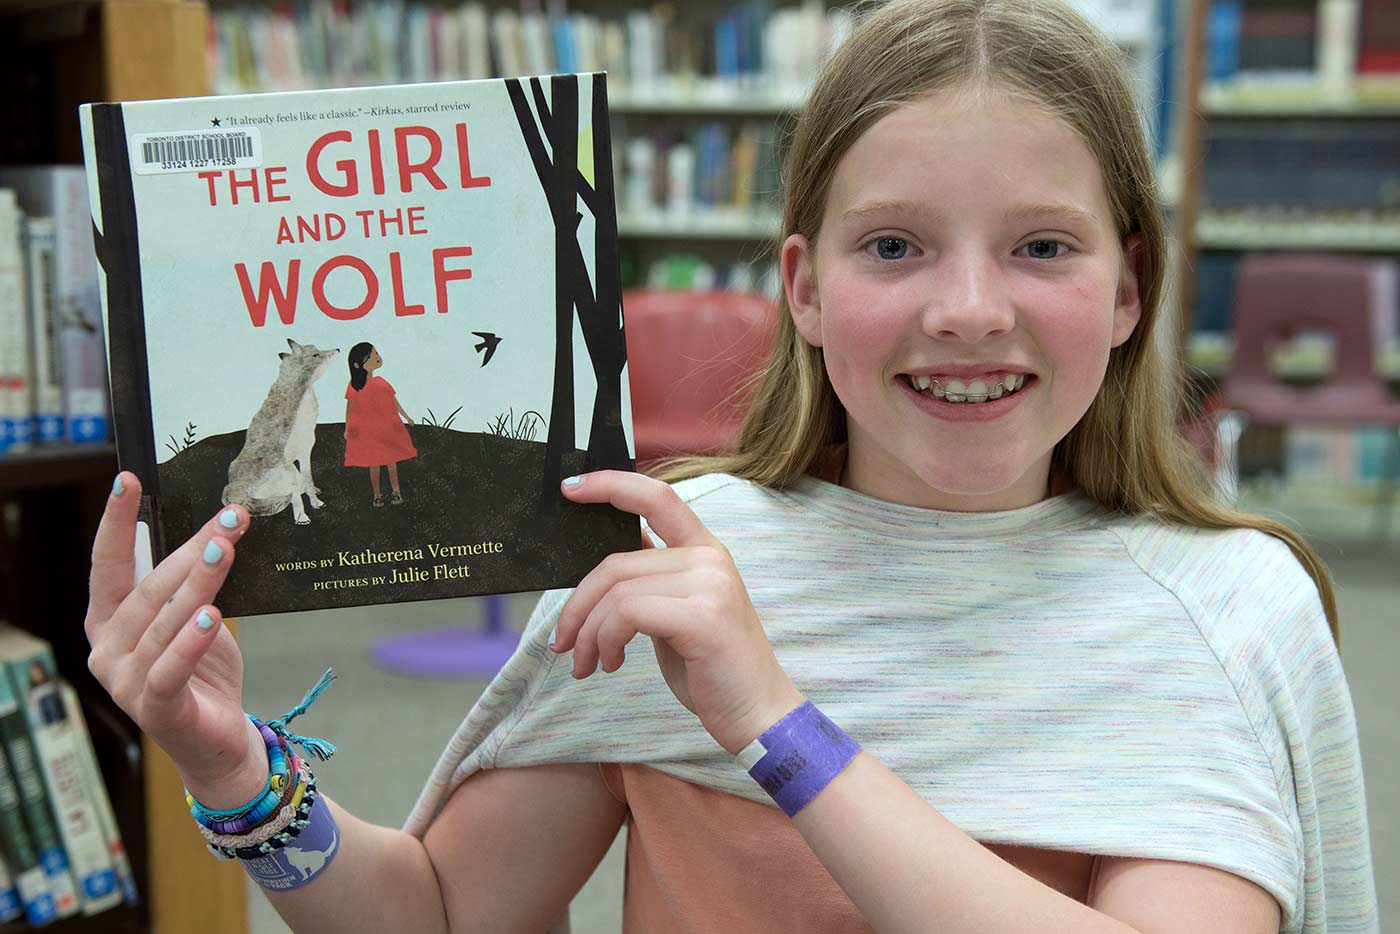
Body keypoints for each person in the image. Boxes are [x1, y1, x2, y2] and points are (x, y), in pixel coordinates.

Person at [82, 0, 1378, 931]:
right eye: (893, 248)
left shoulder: (1222, 608)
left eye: (1043, 246)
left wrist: (775, 723)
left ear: (1131, 291)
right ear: (802, 290)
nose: (969, 308)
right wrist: (235, 770)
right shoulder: (676, 563)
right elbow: (439, 912)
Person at [343, 341, 417, 507]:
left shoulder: (381, 381)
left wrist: (406, 417)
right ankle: (377, 495)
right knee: (374, 465)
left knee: (392, 463)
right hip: (368, 432)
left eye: (376, 353)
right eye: (371, 356)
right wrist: (348, 427)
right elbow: (350, 406)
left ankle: (396, 492)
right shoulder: (354, 385)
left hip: (387, 429)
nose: (376, 357)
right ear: (357, 364)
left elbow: (394, 401)